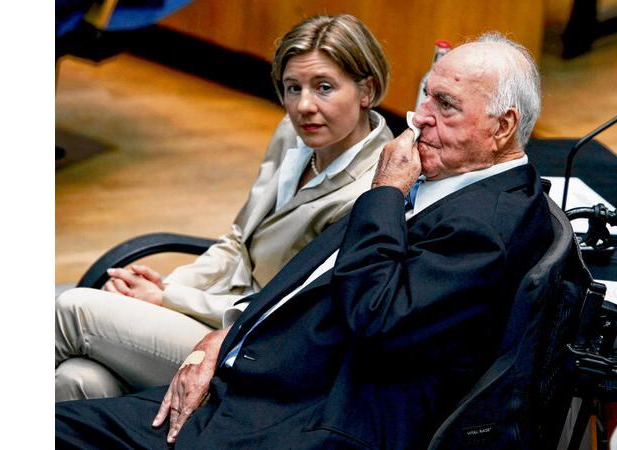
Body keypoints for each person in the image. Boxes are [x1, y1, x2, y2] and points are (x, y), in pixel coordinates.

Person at [56, 32, 554, 449]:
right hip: (256, 365)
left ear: (503, 127)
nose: (419, 116)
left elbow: (376, 316)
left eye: (445, 104)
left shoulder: (483, 222)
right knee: (81, 383)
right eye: (425, 94)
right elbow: (301, 275)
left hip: (290, 416)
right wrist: (220, 340)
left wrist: (384, 193)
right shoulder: (439, 176)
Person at [55, 14, 393, 401]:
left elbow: (289, 308)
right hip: (217, 307)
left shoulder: (370, 190)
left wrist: (166, 299)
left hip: (259, 341)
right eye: (292, 87)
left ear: (366, 90)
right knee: (80, 379)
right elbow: (238, 240)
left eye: (324, 88)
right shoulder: (293, 134)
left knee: (72, 308)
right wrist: (166, 286)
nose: (303, 106)